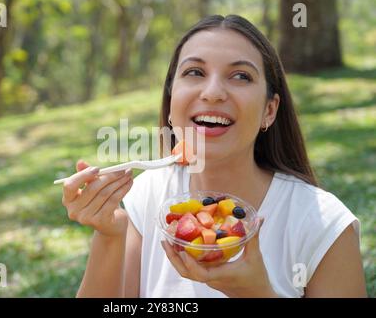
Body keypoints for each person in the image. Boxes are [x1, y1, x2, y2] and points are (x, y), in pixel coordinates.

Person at [60, 15, 367, 298]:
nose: (213, 92)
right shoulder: (147, 196)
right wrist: (110, 234)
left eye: (240, 76)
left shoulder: (323, 225)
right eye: (195, 72)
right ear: (170, 101)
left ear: (269, 110)